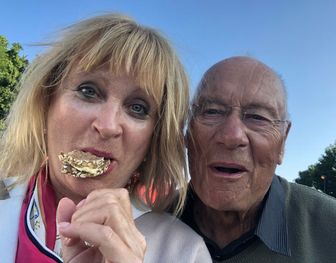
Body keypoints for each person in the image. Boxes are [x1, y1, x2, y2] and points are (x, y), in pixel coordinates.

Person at [0, 13, 211, 263]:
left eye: (138, 108)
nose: (108, 126)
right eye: (88, 91)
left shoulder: (183, 252)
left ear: (153, 141)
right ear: (46, 104)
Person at [181, 56, 336, 262]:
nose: (232, 136)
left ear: (283, 141)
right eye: (212, 111)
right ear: (187, 132)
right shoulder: (145, 225)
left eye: (257, 117)